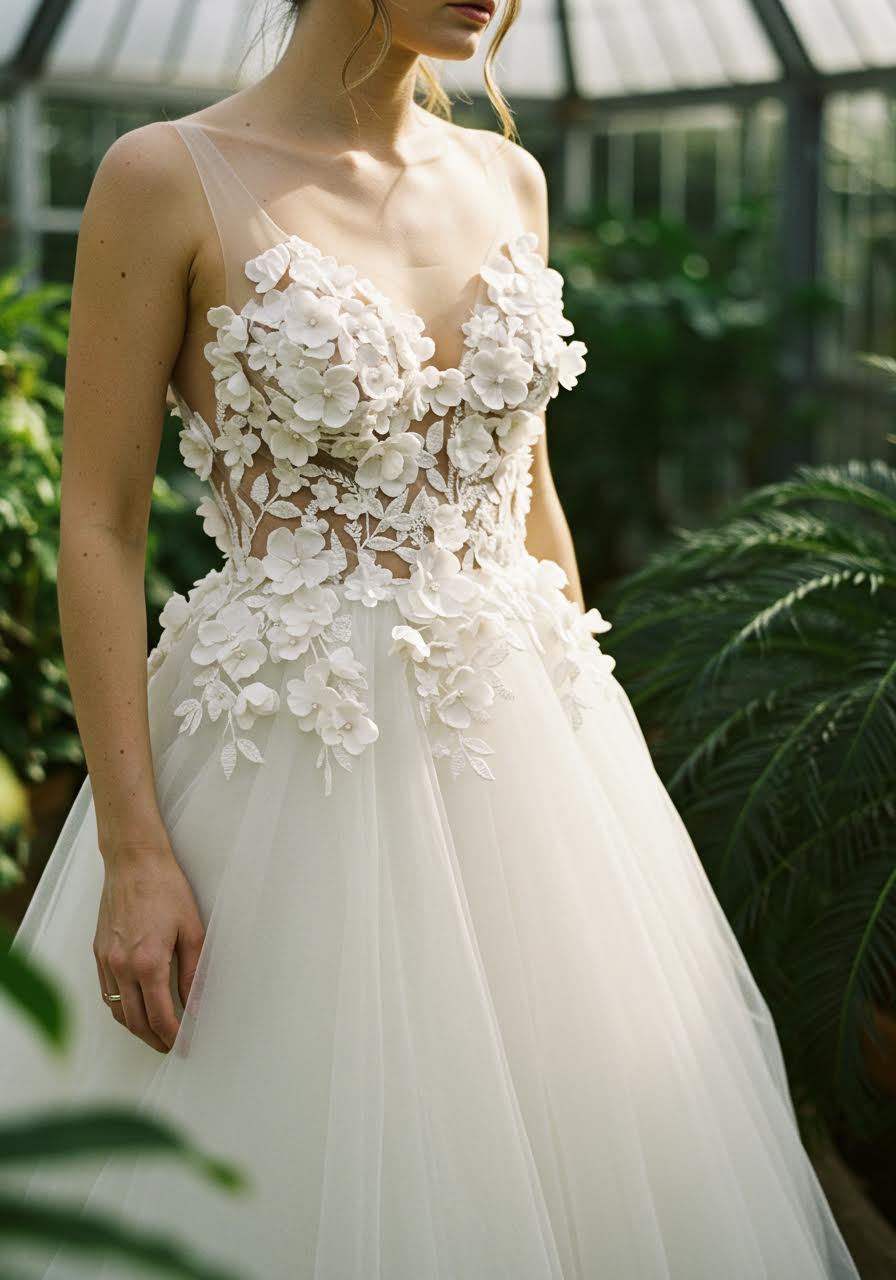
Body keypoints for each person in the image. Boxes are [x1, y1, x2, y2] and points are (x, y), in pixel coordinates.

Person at [0, 2, 863, 1277]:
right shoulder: (162, 175)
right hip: (287, 764)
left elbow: (529, 496)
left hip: (526, 759)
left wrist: (595, 758)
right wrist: (133, 845)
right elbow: (102, 520)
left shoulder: (509, 177)